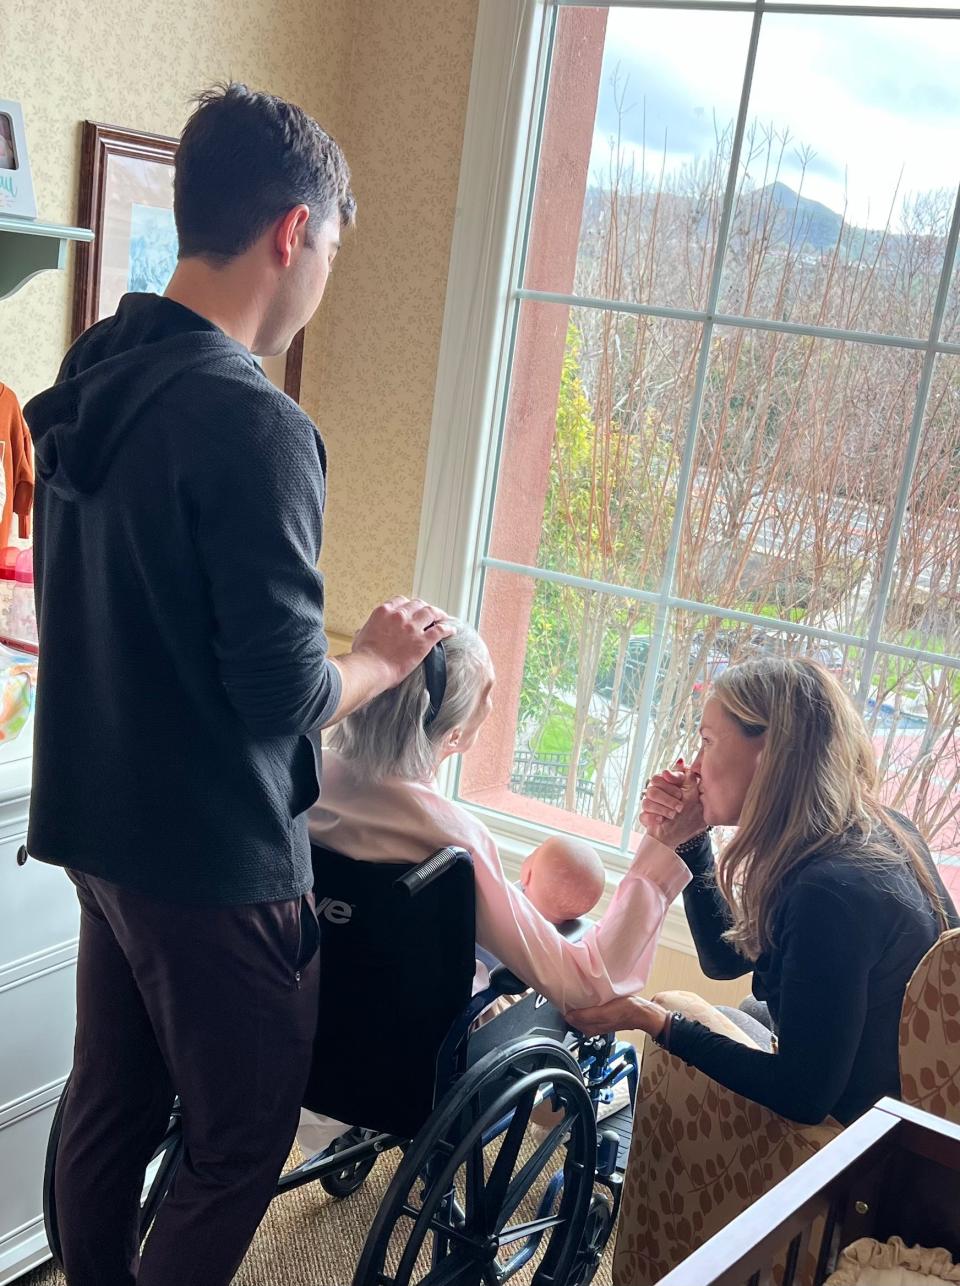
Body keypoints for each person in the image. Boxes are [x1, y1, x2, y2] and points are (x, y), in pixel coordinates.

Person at [23, 83, 452, 1286]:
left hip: (97, 826)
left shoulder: (95, 369)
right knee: (237, 1136)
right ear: (292, 231)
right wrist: (379, 656)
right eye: (329, 250)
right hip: (214, 858)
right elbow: (278, 692)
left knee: (109, 1104)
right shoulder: (252, 422)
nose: (323, 275)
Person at [295, 621, 690, 1157]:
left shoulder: (299, 784)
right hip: (407, 1072)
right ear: (454, 735)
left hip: (288, 1036)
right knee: (556, 978)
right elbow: (584, 986)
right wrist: (659, 855)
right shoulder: (447, 840)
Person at [568, 657, 959, 1126]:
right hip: (905, 1091)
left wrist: (650, 1019)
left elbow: (802, 1096)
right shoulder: (879, 829)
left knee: (674, 1009)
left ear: (770, 753)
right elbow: (726, 960)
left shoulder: (829, 894)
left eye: (708, 742)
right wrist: (693, 839)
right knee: (751, 1006)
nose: (693, 766)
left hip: (865, 1140)